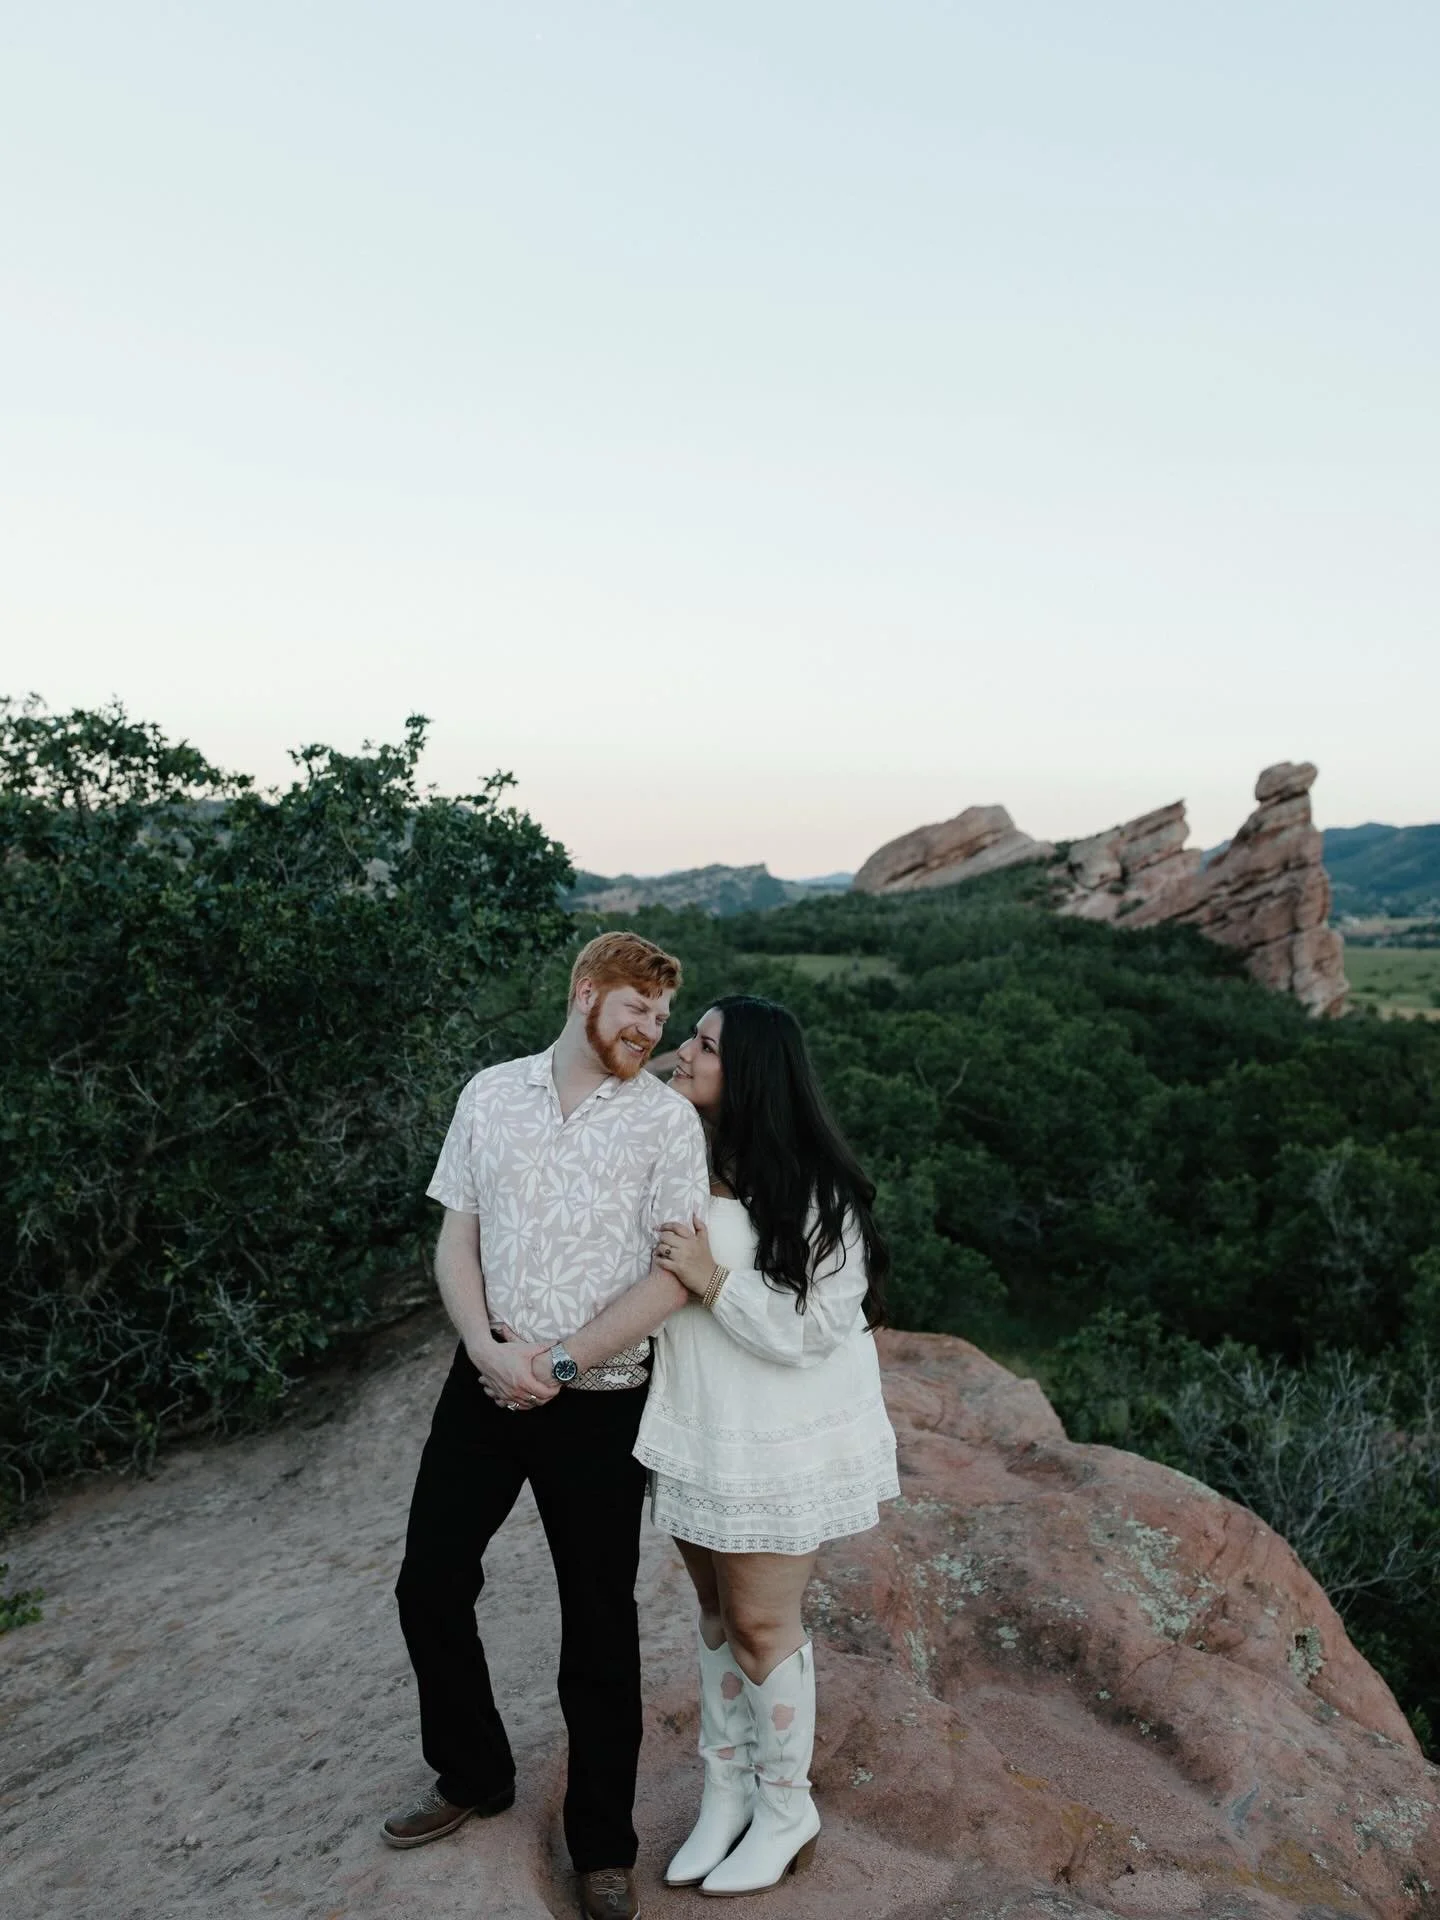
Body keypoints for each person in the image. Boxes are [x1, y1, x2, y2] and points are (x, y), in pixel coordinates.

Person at [385, 931, 709, 1920]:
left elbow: (674, 1279)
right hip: (483, 1380)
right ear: (585, 995)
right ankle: (474, 1773)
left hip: (601, 1398)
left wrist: (561, 1363)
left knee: (600, 1625)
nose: (649, 1031)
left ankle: (602, 1849)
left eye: (661, 1019)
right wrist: (486, 1348)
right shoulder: (490, 1094)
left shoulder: (666, 1126)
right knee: (430, 1581)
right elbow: (457, 1239)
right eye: (636, 1009)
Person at [548, 993, 899, 1897]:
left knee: (761, 1625)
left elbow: (815, 1329)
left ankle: (787, 1806)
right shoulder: (679, 1151)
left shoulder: (816, 1191)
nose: (684, 1052)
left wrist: (713, 1283)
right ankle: (726, 1790)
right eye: (691, 1038)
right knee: (713, 1620)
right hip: (698, 1429)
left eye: (704, 1044)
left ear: (749, 1072)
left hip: (776, 1442)